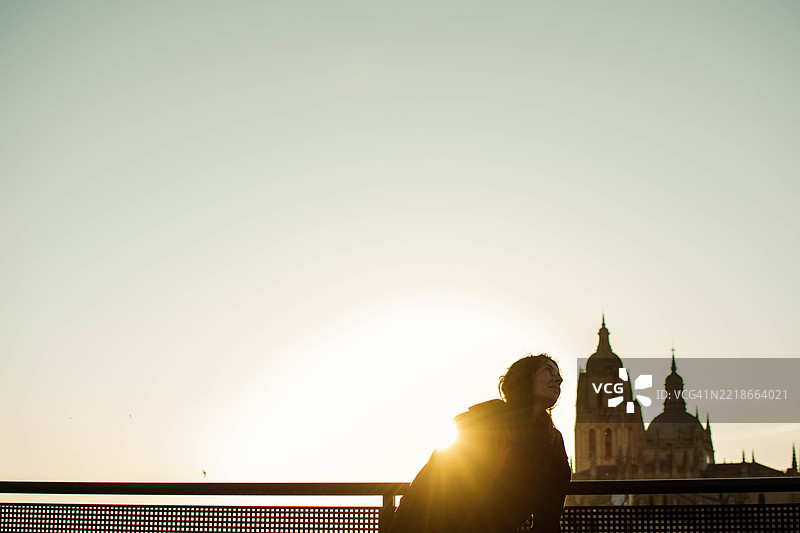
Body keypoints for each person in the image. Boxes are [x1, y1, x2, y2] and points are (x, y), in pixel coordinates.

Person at [390, 354, 571, 533]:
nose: (559, 380)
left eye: (558, 374)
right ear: (524, 379)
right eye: (548, 370)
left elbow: (549, 515)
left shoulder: (553, 443)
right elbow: (435, 487)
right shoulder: (478, 423)